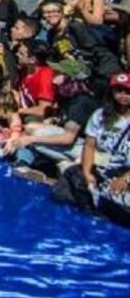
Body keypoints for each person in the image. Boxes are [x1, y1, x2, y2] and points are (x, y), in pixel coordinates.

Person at [51, 73, 130, 226]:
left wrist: (125, 179)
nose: (123, 96)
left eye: (127, 92)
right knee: (68, 184)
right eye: (118, 91)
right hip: (104, 169)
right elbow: (89, 145)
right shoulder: (99, 115)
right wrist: (87, 173)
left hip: (125, 173)